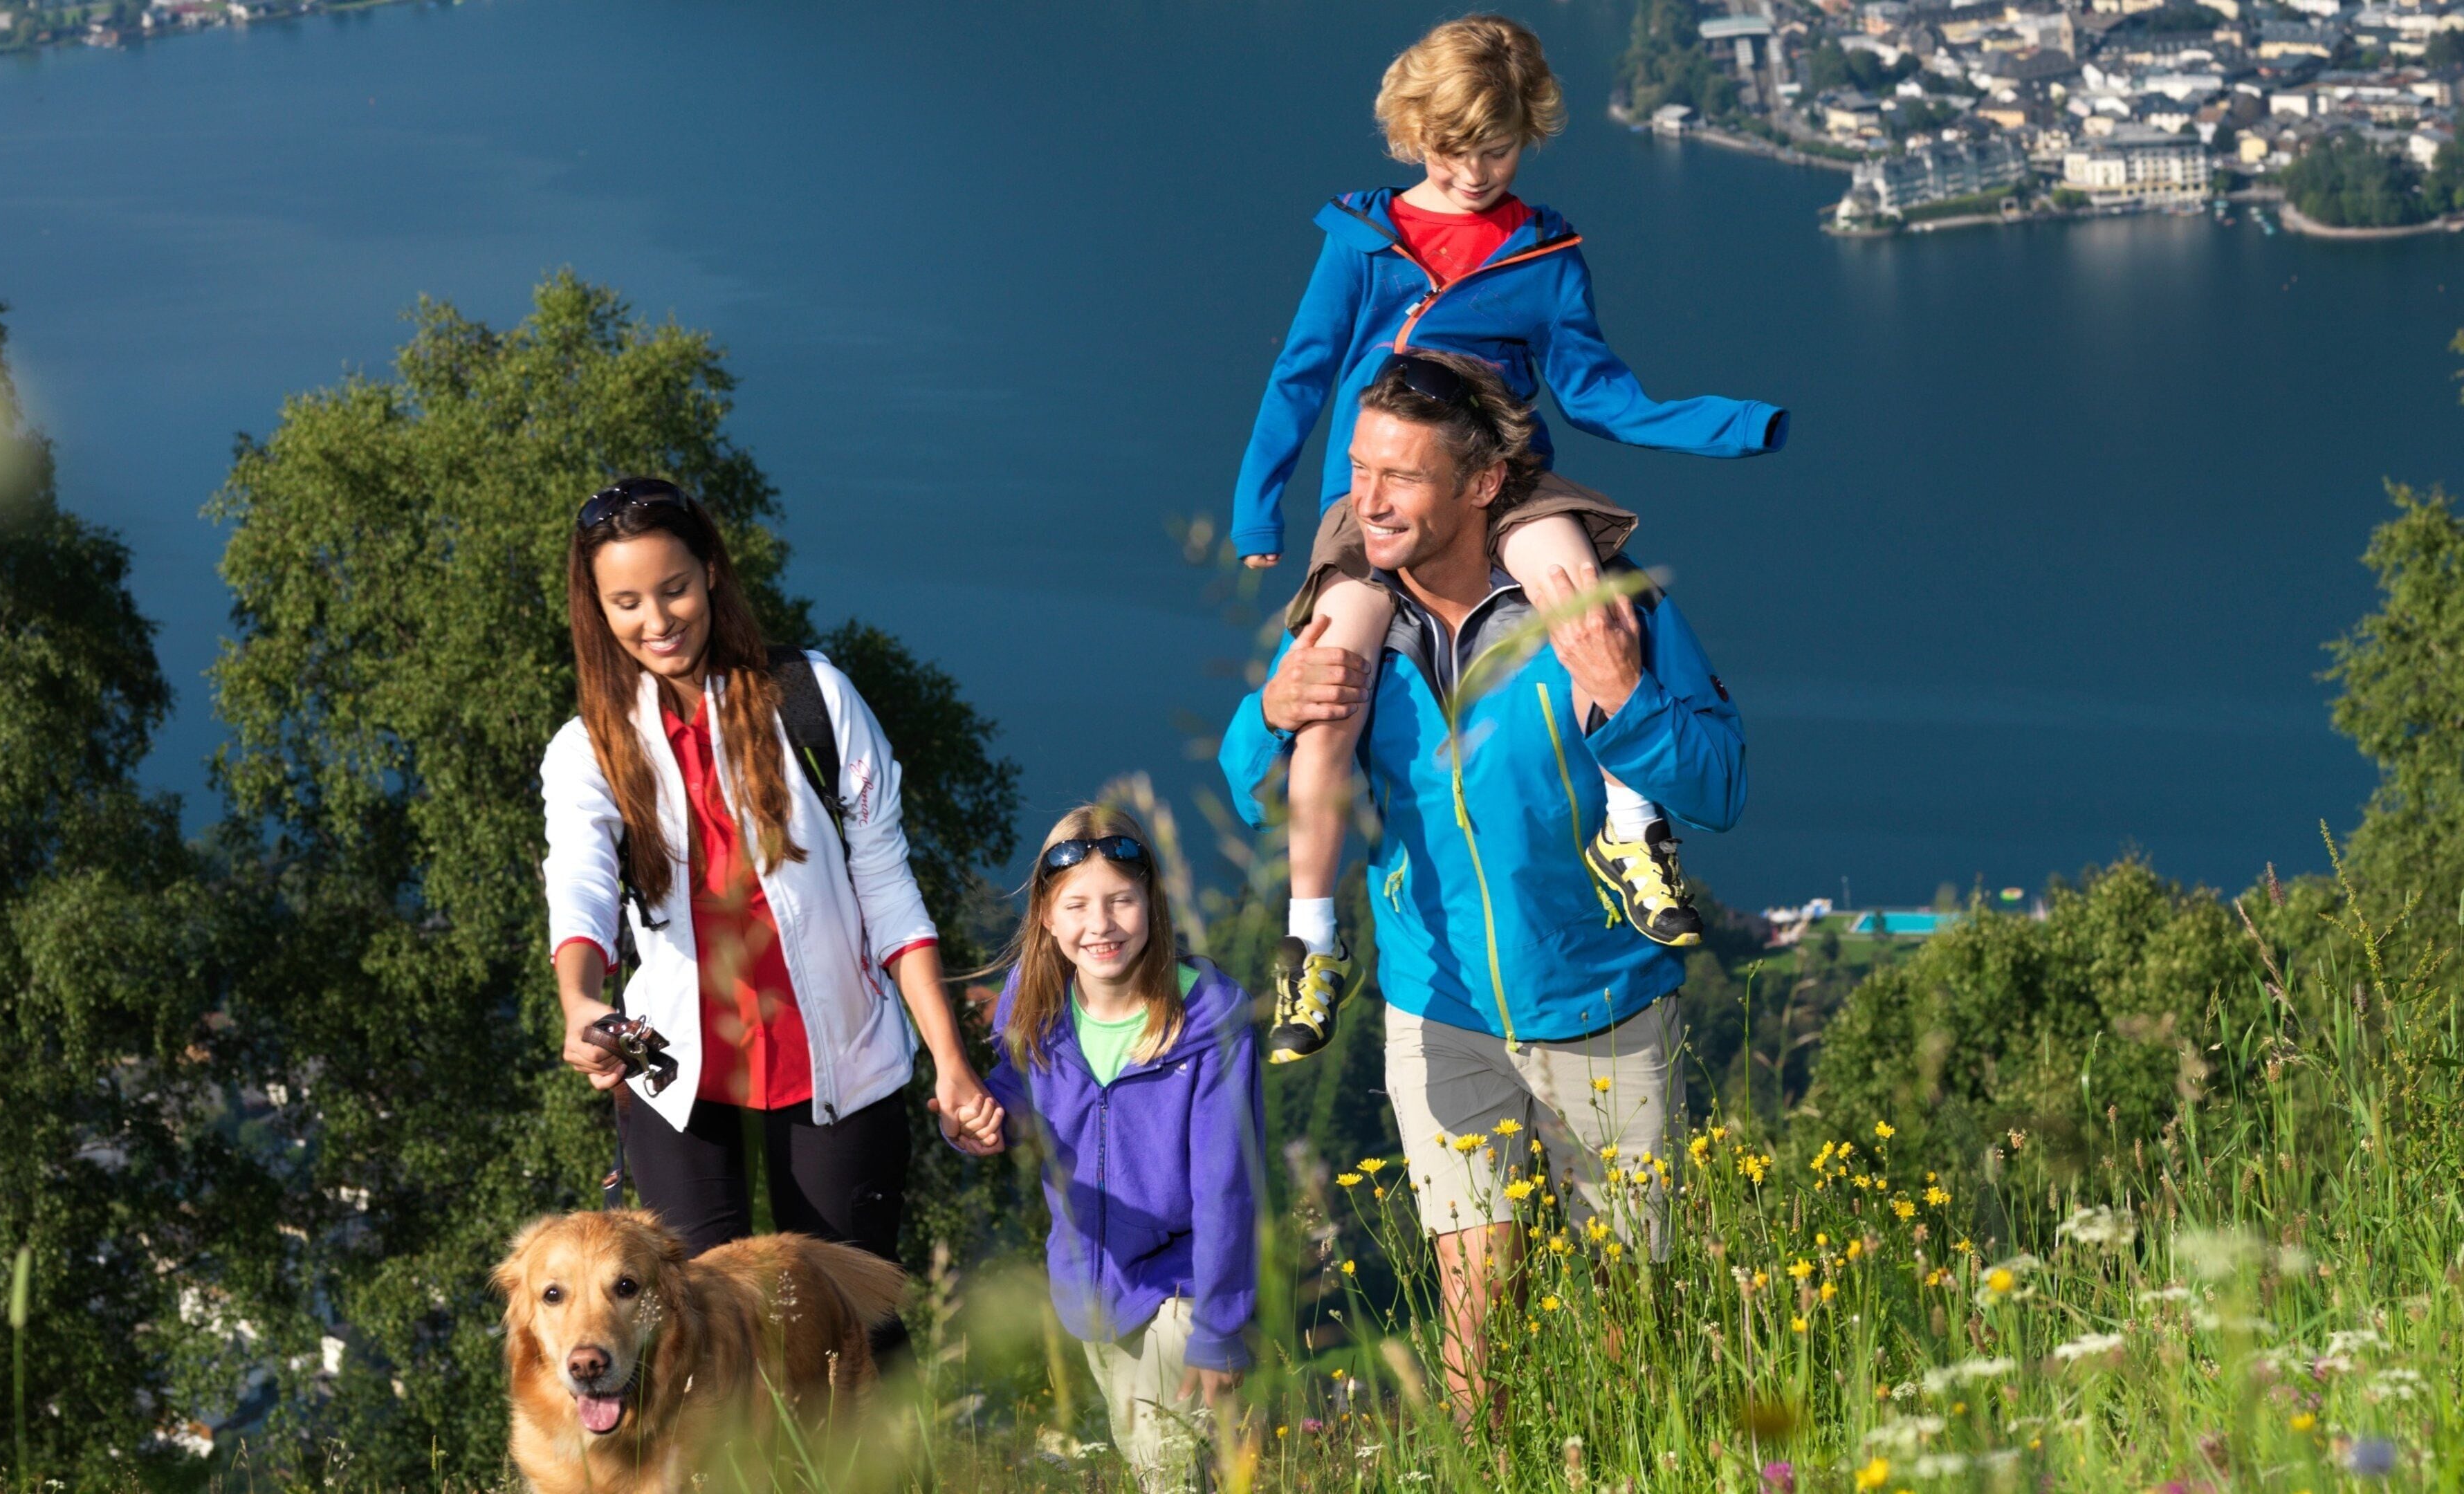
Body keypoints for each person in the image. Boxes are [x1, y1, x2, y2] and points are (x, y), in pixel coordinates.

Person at [1232, 15, 1786, 1064]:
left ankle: (1633, 834)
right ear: (1413, 135)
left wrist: (1725, 427)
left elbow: (1593, 388)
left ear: (1526, 130)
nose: (1476, 170)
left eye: (1495, 147)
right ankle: (1310, 943)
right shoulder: (1362, 242)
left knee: (1583, 592)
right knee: (1331, 678)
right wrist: (1260, 508)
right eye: (1452, 149)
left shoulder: (1546, 251)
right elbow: (1301, 375)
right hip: (1382, 500)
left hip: (1507, 477)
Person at [1218, 353, 1745, 1415]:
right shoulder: (1351, 619)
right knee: (1475, 1297)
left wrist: (1626, 699)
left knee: (1631, 1300)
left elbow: (1721, 783)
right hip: (1437, 1006)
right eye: (1359, 469)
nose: (1367, 501)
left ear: (1483, 485)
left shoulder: (1595, 605)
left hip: (1603, 1004)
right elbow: (1255, 796)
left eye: (1401, 478)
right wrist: (1268, 714)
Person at [540, 477, 1004, 1313]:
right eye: (627, 602)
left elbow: (889, 888)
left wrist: (951, 1064)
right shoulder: (589, 749)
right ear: (596, 610)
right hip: (671, 1067)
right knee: (691, 1345)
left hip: (840, 1057)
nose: (658, 620)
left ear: (713, 571)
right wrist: (579, 1003)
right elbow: (580, 880)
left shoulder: (812, 697)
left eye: (675, 588)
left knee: (853, 1330)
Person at [974, 807, 1262, 1494]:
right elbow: (1014, 1092)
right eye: (1076, 905)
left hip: (1182, 1283)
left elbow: (1229, 1186)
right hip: (1091, 1288)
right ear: (1045, 915)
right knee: (1163, 1466)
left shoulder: (1211, 1020)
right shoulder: (1032, 1001)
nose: (1098, 925)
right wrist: (987, 1121)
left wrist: (1219, 1327)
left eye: (1120, 900)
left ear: (1152, 903)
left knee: (1169, 1476)